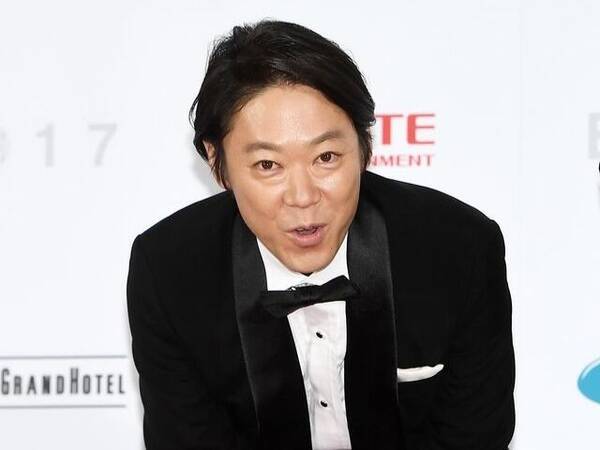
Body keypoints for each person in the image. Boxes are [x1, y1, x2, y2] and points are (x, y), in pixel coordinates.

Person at [126, 19, 515, 450]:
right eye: (268, 165)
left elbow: (474, 435)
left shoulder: (459, 250)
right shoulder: (169, 274)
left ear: (364, 146)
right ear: (218, 164)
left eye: (326, 157)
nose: (303, 197)